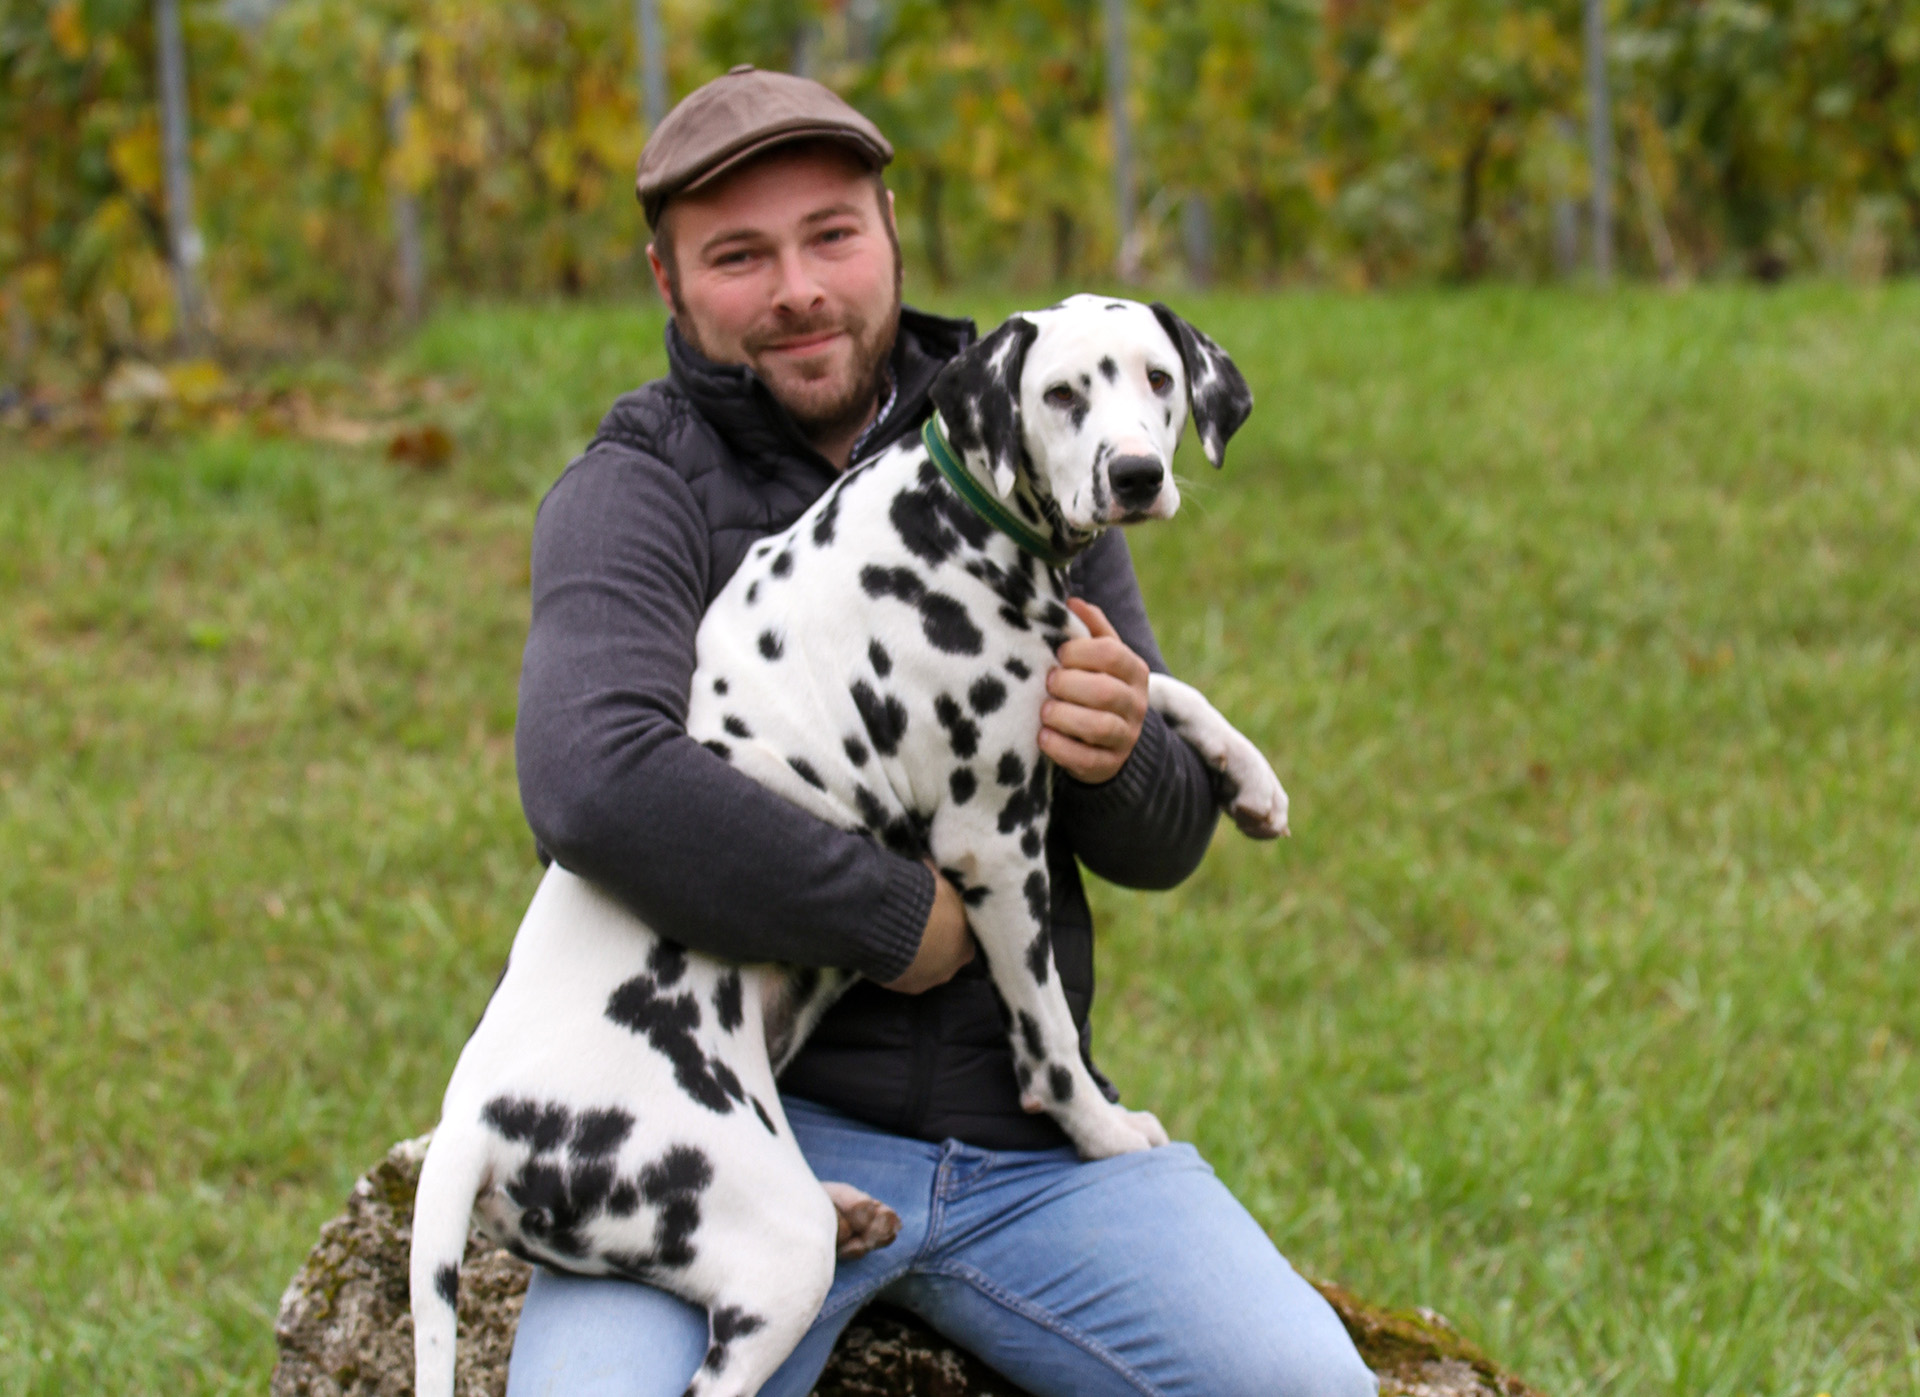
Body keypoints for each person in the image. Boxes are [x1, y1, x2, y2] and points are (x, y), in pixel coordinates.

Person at [505, 64, 1376, 1397]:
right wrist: (897, 921)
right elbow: (594, 779)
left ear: (891, 235)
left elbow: (1161, 845)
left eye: (832, 235)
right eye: (739, 255)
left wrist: (1123, 747)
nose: (798, 286)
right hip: (748, 1124)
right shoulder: (639, 491)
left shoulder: (1045, 424)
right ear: (667, 284)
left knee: (1303, 1387)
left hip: (1028, 1150)